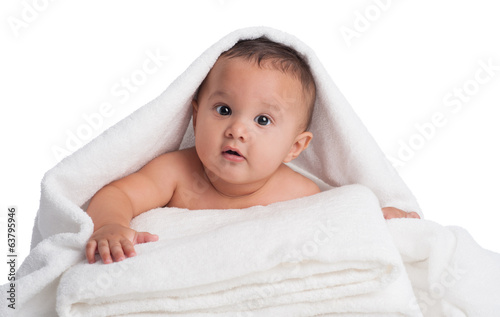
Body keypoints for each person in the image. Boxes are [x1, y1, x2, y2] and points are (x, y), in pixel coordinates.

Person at [85, 37, 419, 264]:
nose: (237, 130)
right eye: (224, 110)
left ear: (295, 146)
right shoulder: (174, 173)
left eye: (262, 119)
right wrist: (110, 225)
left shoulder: (299, 193)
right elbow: (117, 194)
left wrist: (382, 216)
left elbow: (340, 223)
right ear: (195, 115)